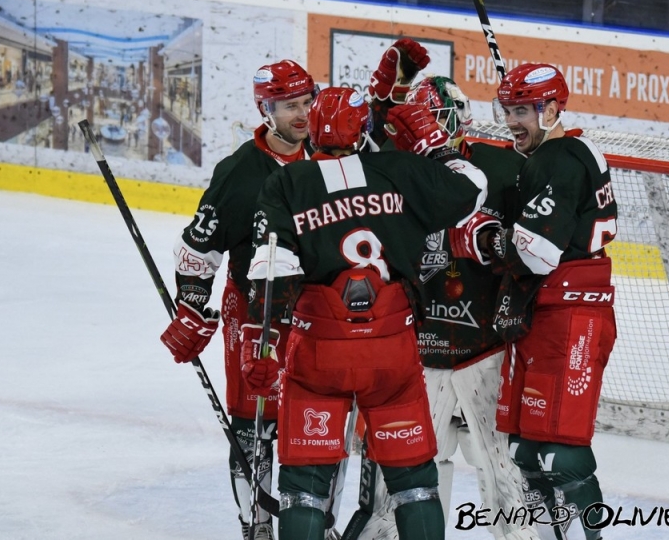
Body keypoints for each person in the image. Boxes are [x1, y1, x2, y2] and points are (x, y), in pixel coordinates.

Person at [241, 86, 490, 540]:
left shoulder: (287, 183)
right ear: (364, 132)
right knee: (415, 484)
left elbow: (272, 272)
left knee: (305, 490)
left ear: (313, 131)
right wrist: (434, 147)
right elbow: (474, 190)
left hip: (319, 355)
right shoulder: (399, 170)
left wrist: (262, 346)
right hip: (391, 355)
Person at [350, 75, 537, 540]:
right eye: (422, 122)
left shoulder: (501, 167)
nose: (429, 130)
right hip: (420, 348)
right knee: (411, 468)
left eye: (436, 120)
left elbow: (531, 246)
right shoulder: (397, 172)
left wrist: (496, 244)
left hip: (486, 345)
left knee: (501, 465)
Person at [452, 63, 618, 540]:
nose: (511, 121)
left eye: (522, 110)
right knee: (526, 449)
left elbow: (537, 253)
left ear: (551, 109)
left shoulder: (558, 160)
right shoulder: (569, 150)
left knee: (558, 453)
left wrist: (479, 238)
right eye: (508, 109)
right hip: (547, 312)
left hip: (570, 316)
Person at [158, 59, 317, 540]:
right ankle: (257, 525)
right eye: (291, 106)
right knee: (253, 425)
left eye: (308, 102)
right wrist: (189, 309)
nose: (304, 114)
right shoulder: (238, 174)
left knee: (316, 422)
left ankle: (309, 520)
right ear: (265, 108)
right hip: (254, 313)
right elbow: (199, 252)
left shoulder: (330, 157)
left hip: (315, 312)